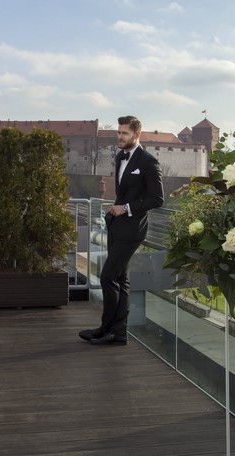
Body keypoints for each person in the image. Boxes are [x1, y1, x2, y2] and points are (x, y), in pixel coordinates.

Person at [80, 115, 163, 345]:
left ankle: (107, 328)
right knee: (121, 279)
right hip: (116, 226)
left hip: (133, 229)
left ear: (137, 134)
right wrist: (116, 211)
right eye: (118, 132)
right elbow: (122, 191)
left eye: (124, 133)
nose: (120, 137)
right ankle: (118, 333)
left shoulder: (148, 162)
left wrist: (126, 208)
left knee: (107, 276)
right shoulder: (119, 157)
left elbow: (157, 199)